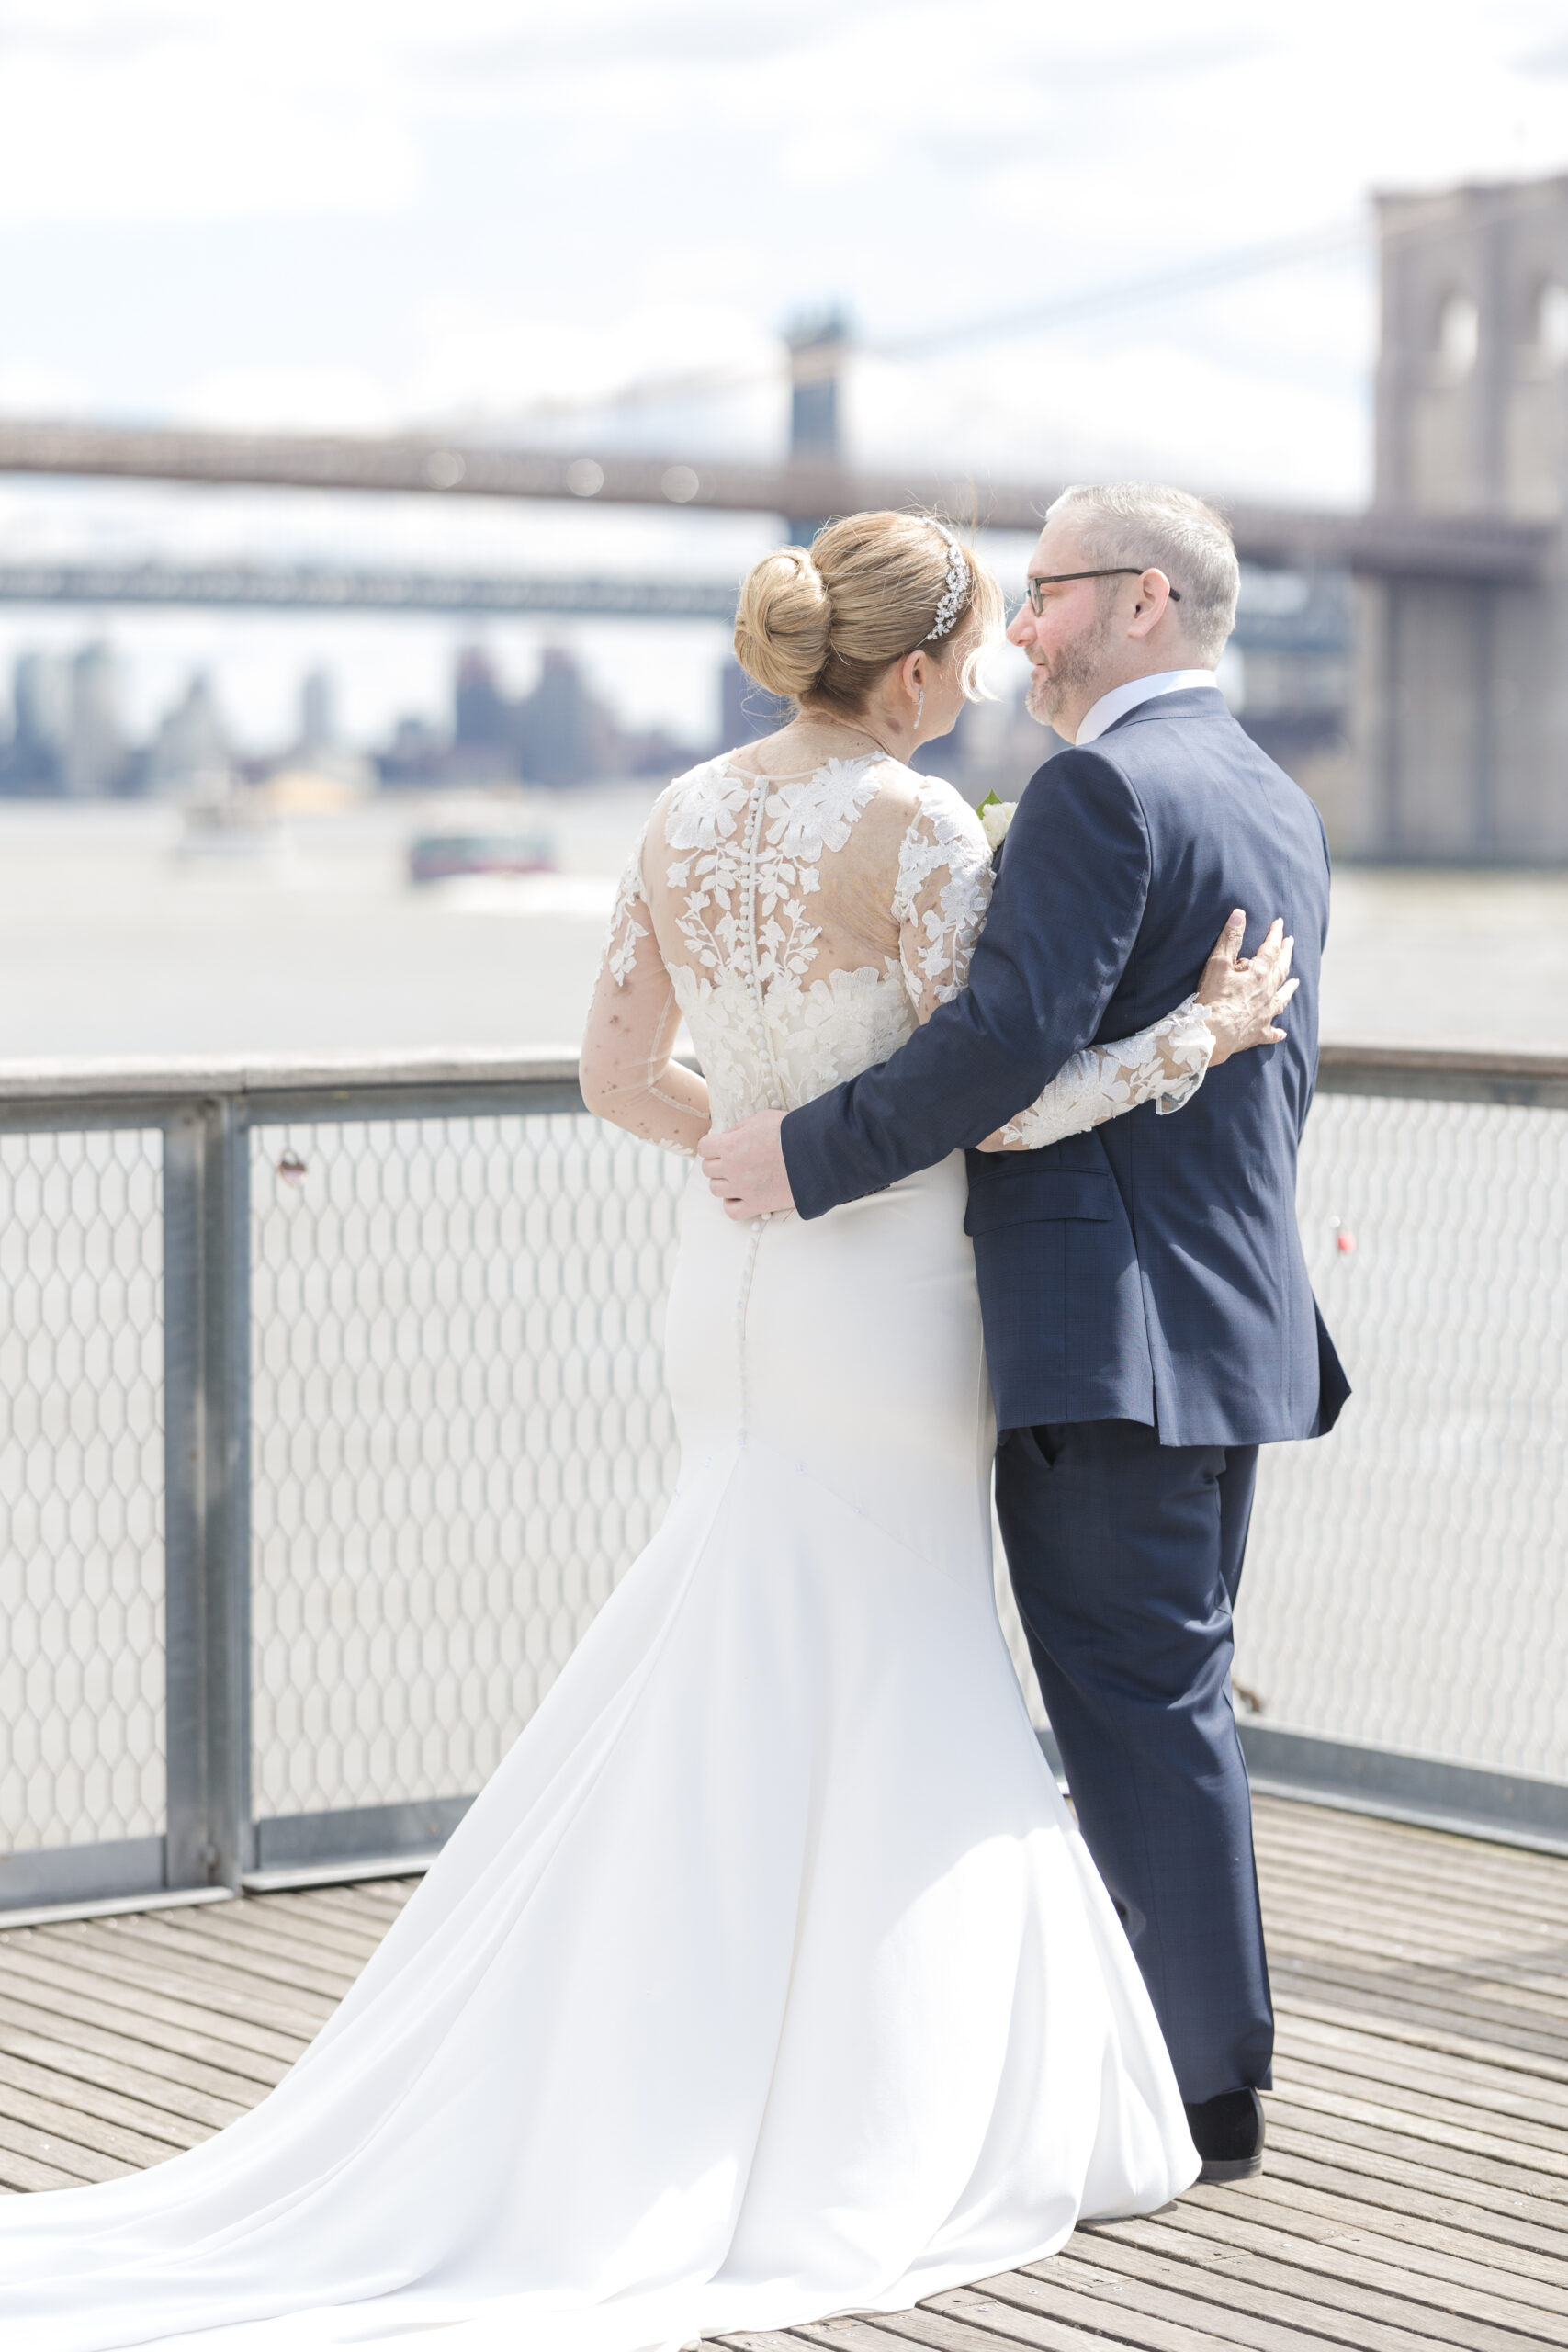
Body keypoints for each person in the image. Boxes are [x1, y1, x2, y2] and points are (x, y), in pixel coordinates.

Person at [0, 511, 1294, 2352]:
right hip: (879, 1292)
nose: (993, 679)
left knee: (741, 1625)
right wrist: (1193, 1039)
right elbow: (988, 1105)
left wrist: (747, 1142)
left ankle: (661, 2035)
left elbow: (616, 1070)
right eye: (976, 652)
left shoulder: (684, 809)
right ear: (915, 671)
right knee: (891, 1657)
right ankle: (856, 2081)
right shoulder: (923, 829)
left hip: (730, 1279)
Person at [701, 484, 1350, 2190]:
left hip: (1104, 1334)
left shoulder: (1098, 790)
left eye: (1045, 596)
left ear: (1138, 600)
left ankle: (1201, 2093)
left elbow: (996, 1050)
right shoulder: (1272, 793)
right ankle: (1187, 2060)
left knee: (1133, 1714)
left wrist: (802, 1153)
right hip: (1222, 1320)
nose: (1017, 634)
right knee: (1171, 1701)